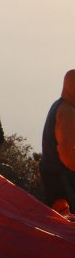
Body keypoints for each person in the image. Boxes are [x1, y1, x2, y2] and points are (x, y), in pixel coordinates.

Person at [40, 69, 75, 215]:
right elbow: (68, 153)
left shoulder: (60, 105)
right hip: (62, 175)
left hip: (52, 172)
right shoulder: (67, 112)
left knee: (58, 217)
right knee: (66, 219)